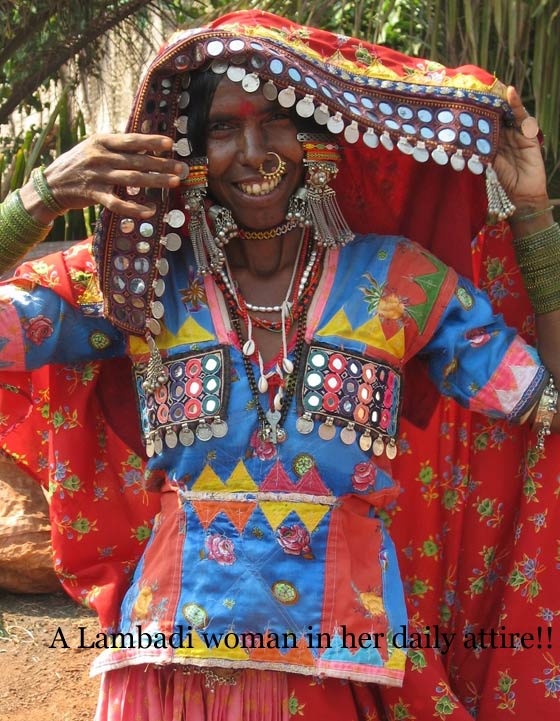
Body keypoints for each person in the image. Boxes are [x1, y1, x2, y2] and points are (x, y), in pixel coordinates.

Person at [0, 9, 558, 720]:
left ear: (320, 139)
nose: (254, 150)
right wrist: (39, 196)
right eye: (223, 128)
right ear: (191, 151)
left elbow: (544, 400)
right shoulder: (138, 285)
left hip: (344, 671)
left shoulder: (400, 284)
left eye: (279, 121)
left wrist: (533, 211)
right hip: (169, 674)